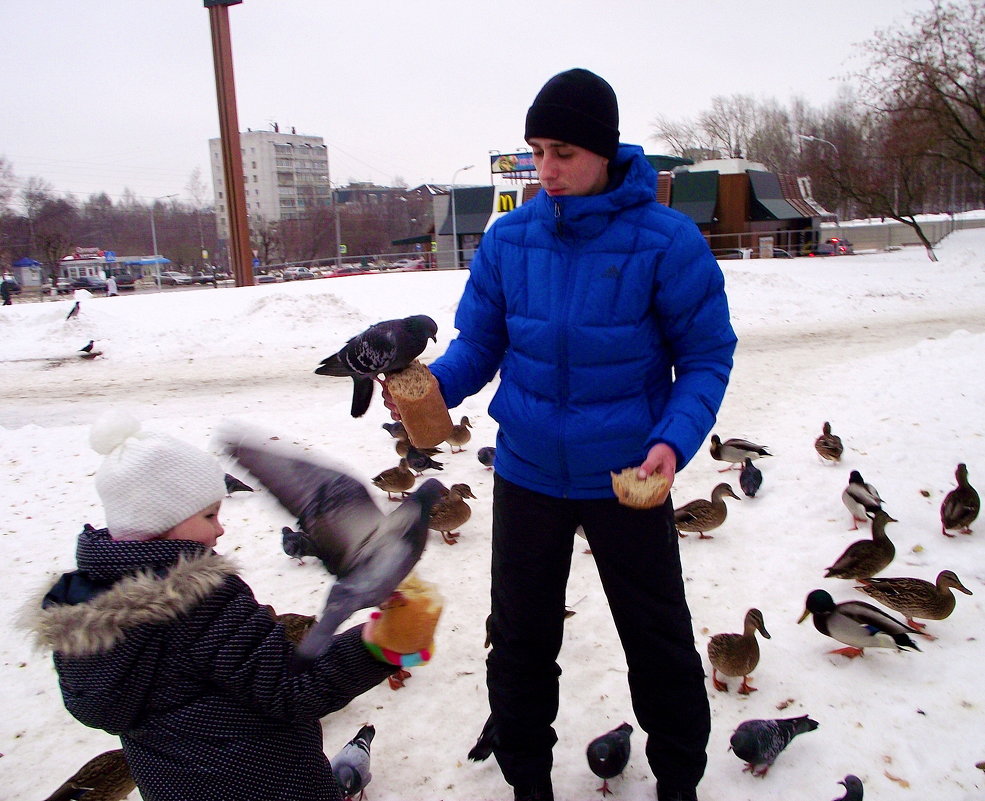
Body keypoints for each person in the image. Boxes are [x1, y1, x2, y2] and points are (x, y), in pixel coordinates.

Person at [400, 68, 736, 801]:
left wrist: (672, 441)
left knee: (656, 640)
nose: (546, 169)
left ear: (604, 151)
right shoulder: (510, 237)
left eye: (562, 152)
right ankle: (528, 784)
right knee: (519, 644)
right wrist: (425, 390)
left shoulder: (664, 240)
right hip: (526, 472)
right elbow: (477, 345)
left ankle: (678, 781)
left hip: (628, 475)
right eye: (535, 151)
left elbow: (706, 356)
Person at [29, 411, 437, 801]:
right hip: (271, 786)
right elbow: (289, 690)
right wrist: (378, 645)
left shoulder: (88, 617)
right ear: (160, 522)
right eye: (209, 515)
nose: (220, 527)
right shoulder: (200, 603)